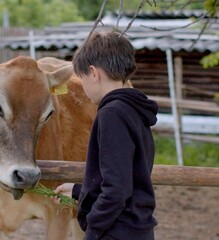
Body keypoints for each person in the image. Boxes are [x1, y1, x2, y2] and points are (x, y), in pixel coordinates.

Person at [54, 31, 158, 240]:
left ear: (93, 73)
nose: (83, 87)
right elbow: (126, 177)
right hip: (136, 229)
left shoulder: (112, 114)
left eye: (82, 78)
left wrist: (92, 232)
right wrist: (79, 191)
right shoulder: (134, 110)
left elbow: (116, 190)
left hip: (116, 232)